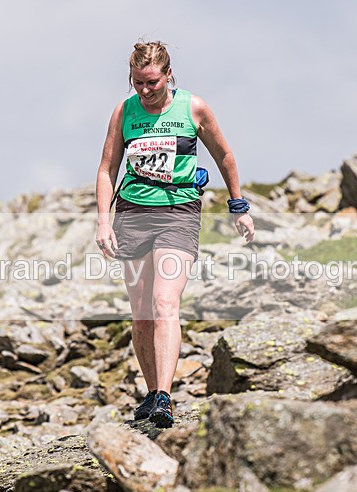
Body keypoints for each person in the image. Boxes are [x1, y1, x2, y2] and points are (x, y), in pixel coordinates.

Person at [94, 41, 255, 427]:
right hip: (131, 213)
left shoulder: (193, 107)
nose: (145, 91)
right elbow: (106, 169)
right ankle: (151, 392)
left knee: (165, 300)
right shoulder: (124, 111)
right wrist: (103, 219)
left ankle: (165, 397)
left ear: (168, 75)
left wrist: (239, 205)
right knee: (142, 312)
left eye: (152, 82)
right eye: (138, 84)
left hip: (178, 212)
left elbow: (224, 156)